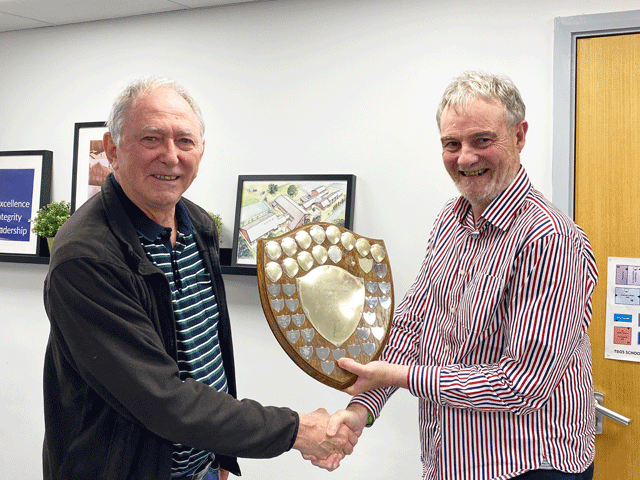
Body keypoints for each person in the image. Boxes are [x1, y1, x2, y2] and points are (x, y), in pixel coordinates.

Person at [42, 76, 357, 480]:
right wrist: (297, 430)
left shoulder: (198, 225)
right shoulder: (85, 258)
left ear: (201, 150)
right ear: (112, 150)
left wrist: (219, 458)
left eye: (185, 141)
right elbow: (162, 399)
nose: (170, 156)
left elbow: (208, 353)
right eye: (152, 139)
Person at [320, 71, 598, 479]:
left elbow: (523, 384)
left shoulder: (550, 238)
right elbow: (413, 327)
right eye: (452, 144)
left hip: (528, 466)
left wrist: (397, 375)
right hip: (450, 462)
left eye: (482, 141)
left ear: (519, 137)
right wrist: (363, 407)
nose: (465, 158)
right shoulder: (450, 221)